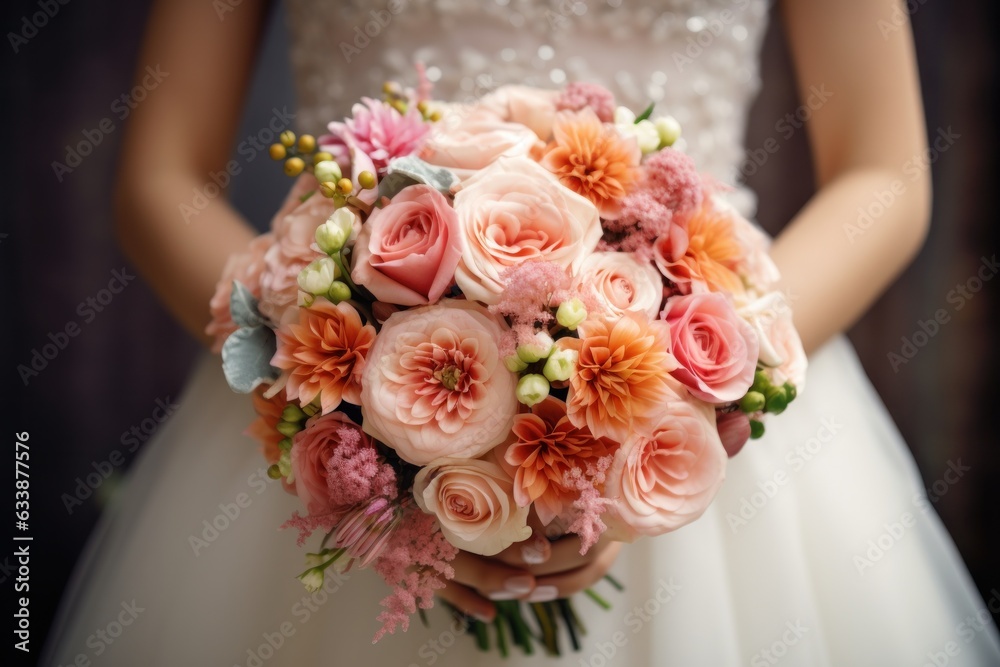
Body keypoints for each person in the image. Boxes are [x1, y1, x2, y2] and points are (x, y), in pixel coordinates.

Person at [42, 0, 1000, 664]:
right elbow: (159, 176)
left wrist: (687, 394)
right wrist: (345, 401)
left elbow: (886, 174)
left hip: (707, 398)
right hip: (326, 408)